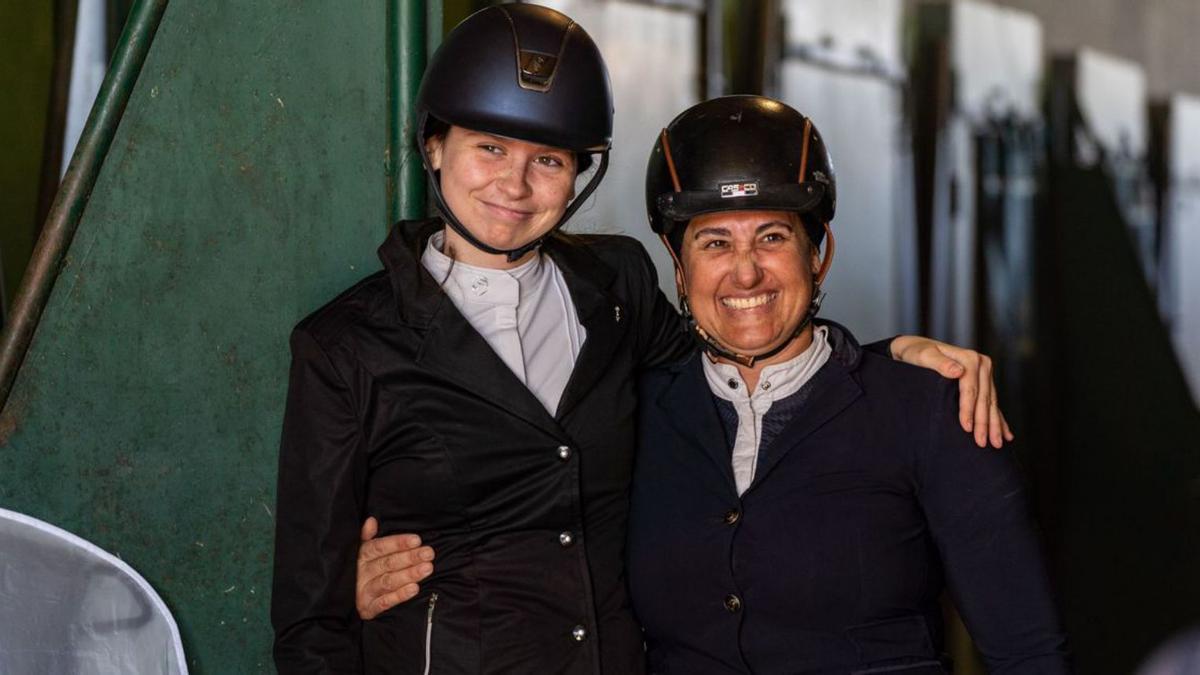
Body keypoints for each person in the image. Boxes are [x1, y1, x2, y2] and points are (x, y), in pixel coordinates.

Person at [272, 5, 1010, 673]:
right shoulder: (345, 348)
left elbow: (738, 365)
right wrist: (345, 583)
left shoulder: (618, 286)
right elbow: (309, 626)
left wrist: (879, 361)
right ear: (434, 146)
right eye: (489, 148)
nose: (515, 184)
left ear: (579, 176)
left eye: (549, 160)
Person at [624, 95, 1069, 673]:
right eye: (715, 243)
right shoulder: (637, 414)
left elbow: (1028, 651)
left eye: (772, 237)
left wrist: (885, 363)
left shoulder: (932, 412)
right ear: (679, 268)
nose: (746, 271)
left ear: (817, 255)